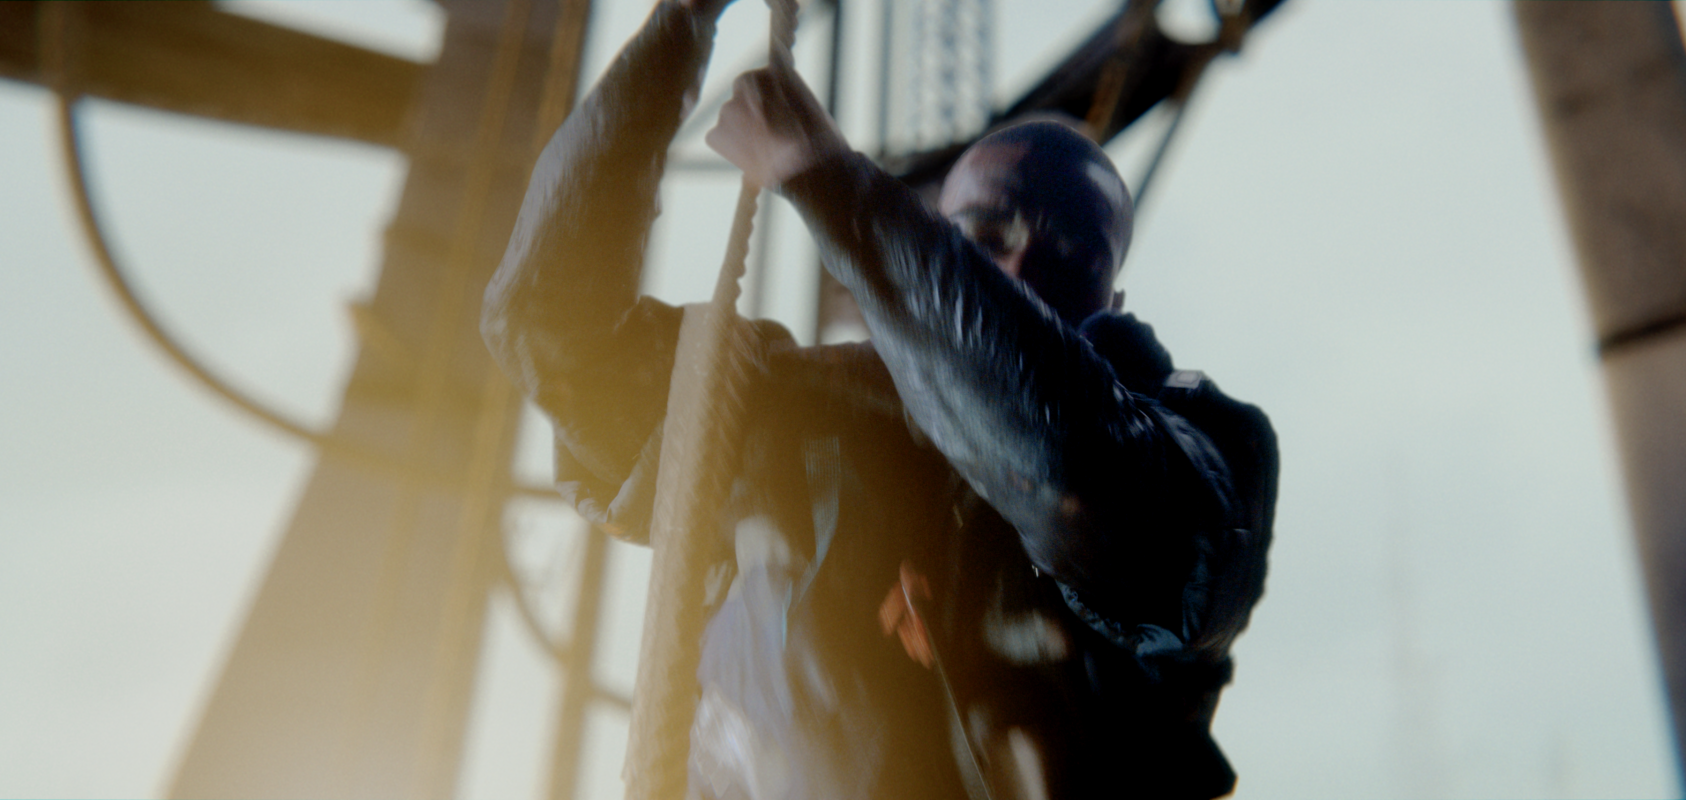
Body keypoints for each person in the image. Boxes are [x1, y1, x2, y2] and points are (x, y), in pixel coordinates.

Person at [482, 0, 1278, 796]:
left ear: (1113, 294)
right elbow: (548, 325)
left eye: (1070, 256)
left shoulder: (1202, 465)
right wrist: (679, 28)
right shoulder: (789, 411)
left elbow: (1067, 476)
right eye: (984, 240)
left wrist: (824, 177)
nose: (1018, 275)